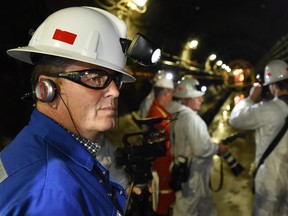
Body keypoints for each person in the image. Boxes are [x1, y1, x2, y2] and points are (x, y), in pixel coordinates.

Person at [0, 6, 138, 215]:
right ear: (47, 89)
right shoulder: (51, 194)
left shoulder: (47, 152)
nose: (114, 92)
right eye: (95, 78)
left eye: (115, 80)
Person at [229, 59, 288, 216]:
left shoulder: (268, 110)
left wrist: (250, 99)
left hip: (270, 178)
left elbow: (235, 119)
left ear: (273, 85)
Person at [166, 75, 228, 216]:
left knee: (203, 206)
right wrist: (218, 148)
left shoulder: (176, 115)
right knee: (186, 209)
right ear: (185, 100)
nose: (202, 99)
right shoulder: (192, 119)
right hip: (194, 174)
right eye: (197, 97)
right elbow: (201, 149)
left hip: (183, 168)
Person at [146, 76, 175, 215]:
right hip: (161, 161)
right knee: (164, 193)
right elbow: (170, 130)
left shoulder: (160, 109)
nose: (172, 96)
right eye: (171, 93)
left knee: (168, 193)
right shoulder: (156, 113)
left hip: (166, 157)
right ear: (166, 93)